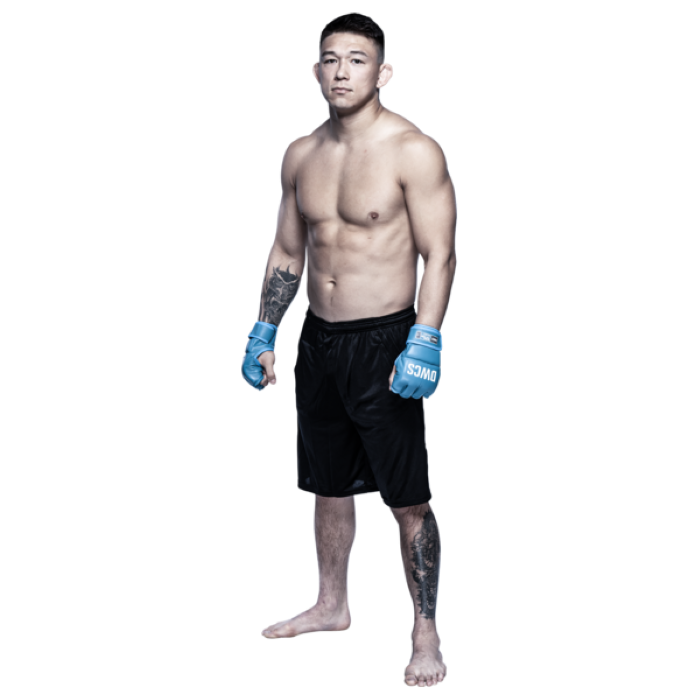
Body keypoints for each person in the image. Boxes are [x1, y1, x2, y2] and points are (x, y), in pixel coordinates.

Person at [242, 12, 457, 689]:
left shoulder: (413, 150)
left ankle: (425, 633)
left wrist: (425, 339)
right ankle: (332, 605)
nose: (341, 71)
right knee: (326, 485)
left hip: (386, 339)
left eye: (357, 60)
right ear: (315, 71)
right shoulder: (301, 154)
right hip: (320, 340)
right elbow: (288, 248)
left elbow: (440, 253)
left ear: (383, 73)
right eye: (330, 59)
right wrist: (264, 330)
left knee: (406, 496)